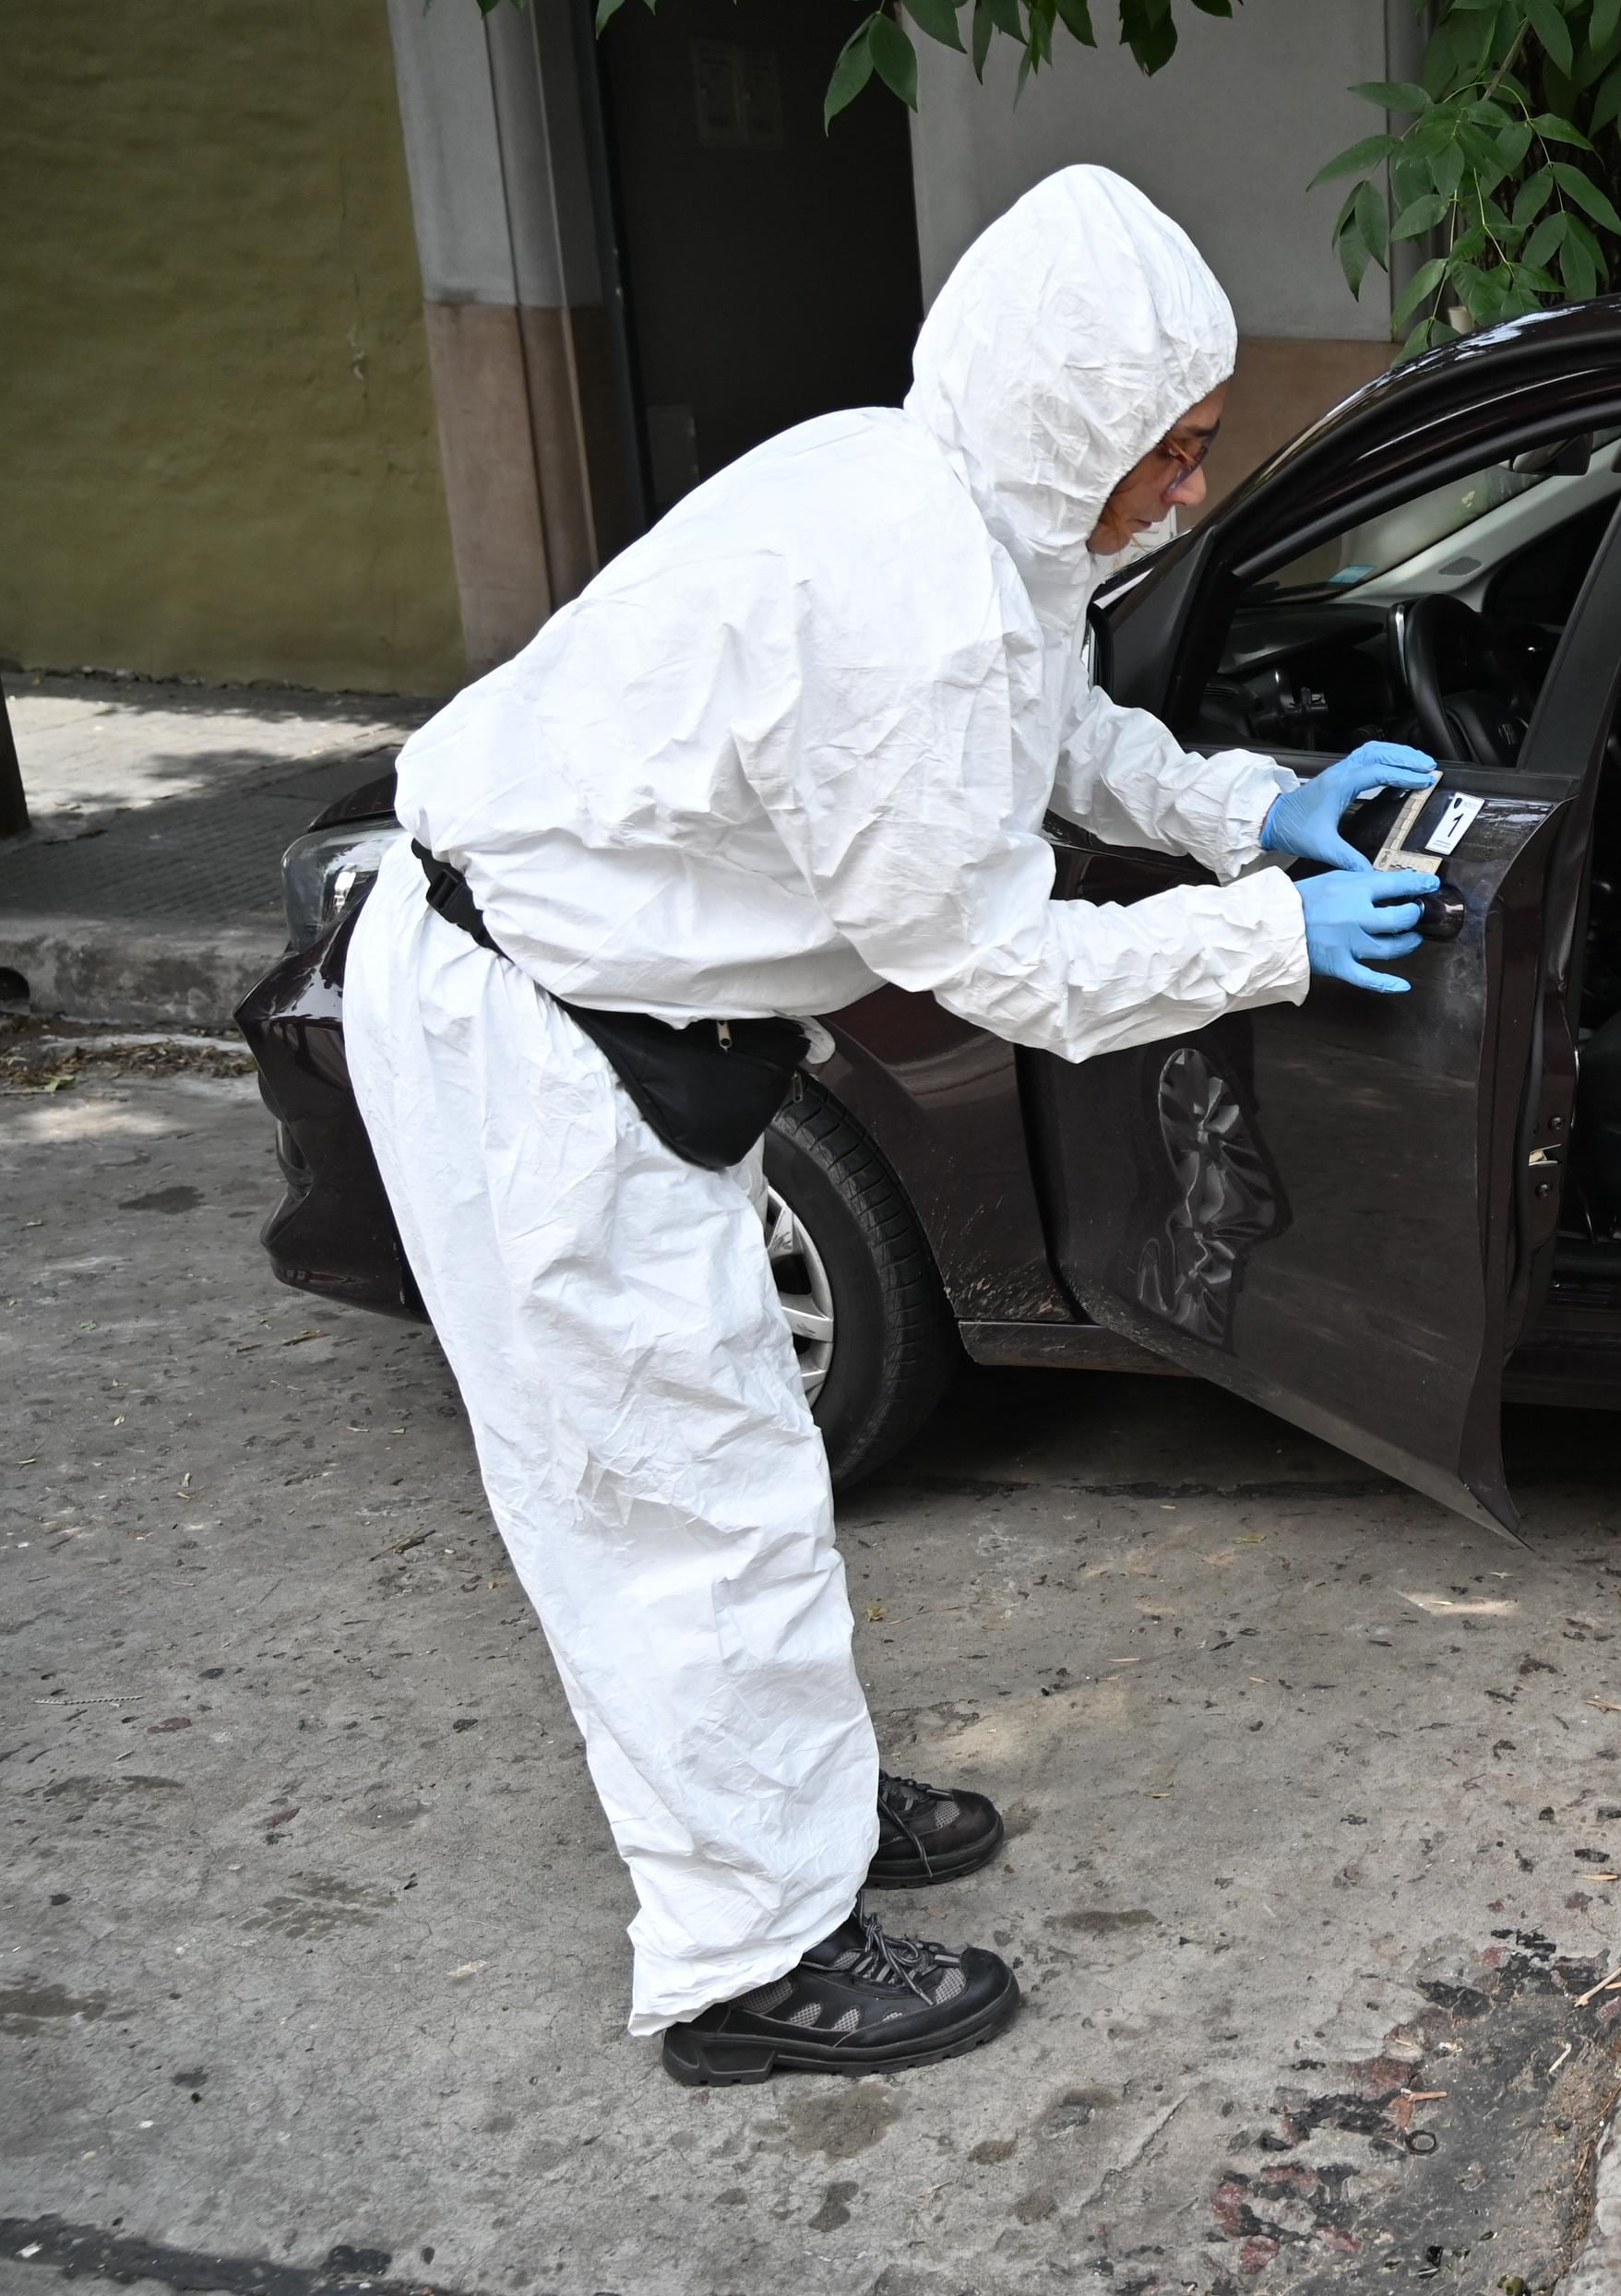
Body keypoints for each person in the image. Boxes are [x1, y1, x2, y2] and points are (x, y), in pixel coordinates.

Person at [342, 165, 1443, 2083]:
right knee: (669, 1511)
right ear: (1071, 421)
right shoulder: (902, 605)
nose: (1189, 490)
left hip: (608, 1009)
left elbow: (1055, 723)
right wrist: (1276, 938)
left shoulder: (955, 495)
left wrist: (1242, 805)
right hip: (527, 1038)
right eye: (1173, 453)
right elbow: (998, 961)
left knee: (738, 1461)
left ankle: (802, 1819)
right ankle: (746, 1963)